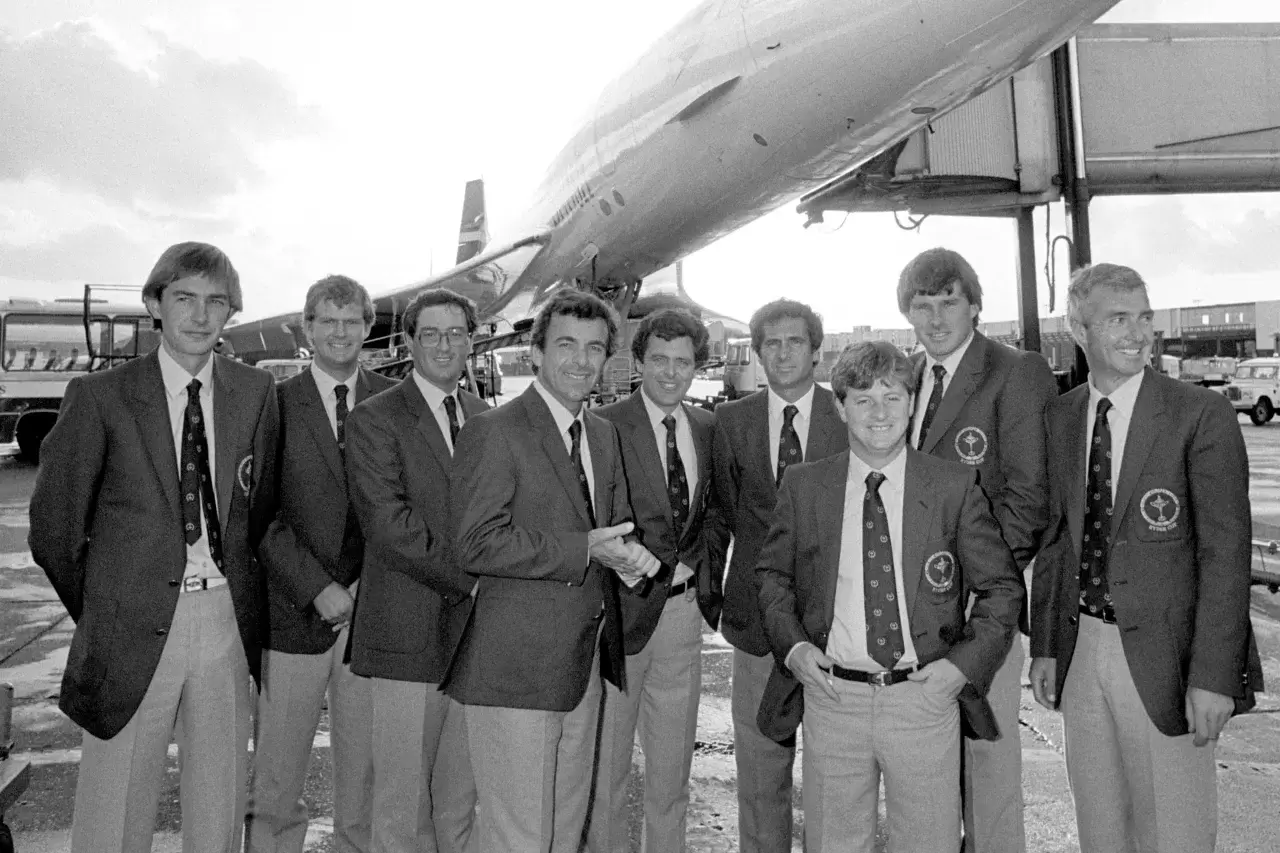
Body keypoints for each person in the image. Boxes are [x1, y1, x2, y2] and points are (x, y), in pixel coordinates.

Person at [28, 242, 279, 853]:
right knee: (114, 812)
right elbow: (55, 530)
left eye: (216, 302)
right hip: (128, 624)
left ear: (231, 314)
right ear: (154, 305)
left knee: (218, 808)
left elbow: (260, 511)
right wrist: (105, 610)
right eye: (184, 299)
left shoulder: (255, 393)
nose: (200, 315)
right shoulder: (101, 397)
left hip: (223, 621)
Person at [1029, 263, 1263, 853]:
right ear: (1079, 329)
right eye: (1117, 319)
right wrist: (1047, 646)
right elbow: (1058, 542)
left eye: (1144, 317)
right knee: (1101, 828)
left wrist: (1214, 677)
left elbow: (1225, 554)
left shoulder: (1198, 415)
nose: (1138, 334)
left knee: (1175, 832)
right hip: (1081, 648)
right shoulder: (1061, 417)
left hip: (1169, 657)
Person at [755, 341, 1023, 853]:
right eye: (862, 399)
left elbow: (1001, 589)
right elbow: (772, 577)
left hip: (922, 698)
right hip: (834, 699)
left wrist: (961, 668)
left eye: (892, 397)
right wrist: (794, 649)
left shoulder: (952, 485)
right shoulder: (805, 485)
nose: (879, 413)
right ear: (839, 408)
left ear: (911, 401)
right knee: (833, 843)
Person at [447, 288, 660, 853]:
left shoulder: (602, 434)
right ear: (535, 352)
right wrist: (584, 548)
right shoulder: (495, 430)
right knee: (519, 835)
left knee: (565, 829)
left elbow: (604, 532)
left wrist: (628, 560)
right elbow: (475, 543)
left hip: (583, 661)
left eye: (594, 348)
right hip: (515, 666)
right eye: (566, 344)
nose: (581, 361)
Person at [897, 247, 1058, 853]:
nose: (935, 318)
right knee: (929, 765)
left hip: (979, 608)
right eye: (922, 305)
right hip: (913, 607)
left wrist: (977, 590)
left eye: (948, 302)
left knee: (988, 761)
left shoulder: (1015, 371)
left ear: (974, 305)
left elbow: (1028, 496)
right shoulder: (907, 376)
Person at [245, 275, 395, 853]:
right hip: (292, 614)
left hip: (372, 617)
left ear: (368, 327)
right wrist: (318, 587)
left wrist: (365, 584)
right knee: (278, 777)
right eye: (327, 321)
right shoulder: (273, 407)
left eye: (352, 321)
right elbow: (259, 516)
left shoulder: (394, 403)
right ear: (306, 328)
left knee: (365, 773)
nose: (340, 332)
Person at [344, 287, 487, 853]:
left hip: (476, 643)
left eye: (456, 333)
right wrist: (479, 580)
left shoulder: (485, 417)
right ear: (408, 342)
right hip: (406, 635)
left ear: (472, 340)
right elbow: (390, 525)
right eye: (430, 334)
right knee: (401, 809)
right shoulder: (375, 419)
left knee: (459, 803)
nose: (444, 345)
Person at [710, 297, 847, 853]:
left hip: (835, 624)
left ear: (817, 350)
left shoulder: (849, 414)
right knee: (760, 771)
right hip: (753, 623)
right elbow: (719, 512)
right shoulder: (731, 421)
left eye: (795, 341)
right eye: (772, 343)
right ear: (758, 353)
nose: (783, 352)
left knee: (833, 774)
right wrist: (711, 598)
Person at [587, 309, 726, 853]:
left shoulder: (707, 428)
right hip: (618, 617)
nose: (671, 373)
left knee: (672, 774)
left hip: (681, 616)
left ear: (697, 366)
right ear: (638, 361)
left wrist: (700, 569)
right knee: (609, 770)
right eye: (660, 360)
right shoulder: (605, 425)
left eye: (684, 362)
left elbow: (715, 512)